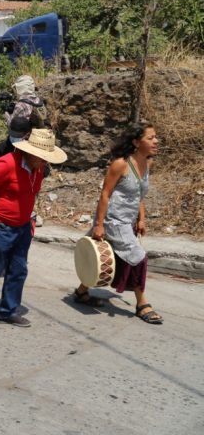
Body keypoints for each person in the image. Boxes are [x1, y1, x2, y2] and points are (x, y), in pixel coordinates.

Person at [0, 129, 66, 327]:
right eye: (43, 158)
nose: (45, 162)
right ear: (31, 152)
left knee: (18, 270)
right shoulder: (6, 164)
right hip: (0, 225)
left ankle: (7, 311)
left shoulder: (39, 169)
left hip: (23, 226)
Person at [72, 123, 162, 324]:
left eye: (156, 137)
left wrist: (141, 218)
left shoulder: (148, 163)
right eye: (151, 138)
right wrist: (100, 225)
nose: (156, 141)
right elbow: (105, 194)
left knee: (111, 257)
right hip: (113, 220)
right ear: (136, 142)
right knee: (138, 258)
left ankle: (81, 291)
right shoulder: (120, 164)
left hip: (127, 221)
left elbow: (139, 194)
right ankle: (142, 304)